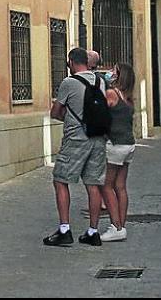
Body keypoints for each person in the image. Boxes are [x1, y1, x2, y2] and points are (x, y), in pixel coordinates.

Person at [44, 48, 107, 247]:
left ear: (71, 62)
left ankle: (64, 229)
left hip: (75, 139)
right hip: (97, 137)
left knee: (61, 180)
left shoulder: (69, 82)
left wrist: (68, 117)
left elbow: (56, 111)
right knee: (93, 184)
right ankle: (93, 231)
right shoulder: (100, 81)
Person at [99, 62, 136, 243]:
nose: (110, 73)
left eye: (114, 71)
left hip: (114, 144)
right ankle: (122, 224)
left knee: (106, 185)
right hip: (129, 144)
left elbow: (100, 112)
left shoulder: (112, 94)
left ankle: (116, 226)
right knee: (120, 186)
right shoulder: (128, 98)